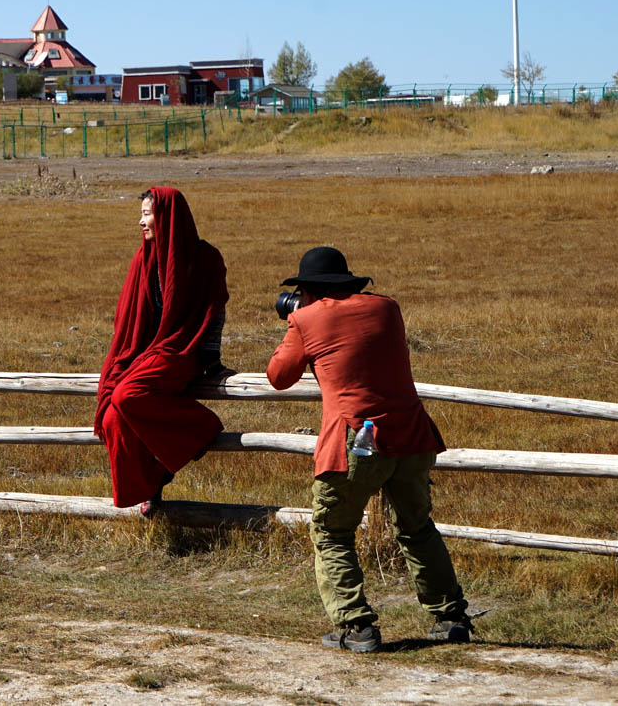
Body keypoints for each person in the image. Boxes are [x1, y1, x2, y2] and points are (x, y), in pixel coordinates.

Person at [266, 246, 472, 653]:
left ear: (307, 290)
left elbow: (278, 376)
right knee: (416, 526)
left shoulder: (305, 319)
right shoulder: (387, 308)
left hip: (356, 441)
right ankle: (449, 615)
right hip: (410, 435)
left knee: (332, 530)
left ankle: (355, 625)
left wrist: (296, 323)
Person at [95, 187, 228, 514]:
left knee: (127, 395)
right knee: (113, 417)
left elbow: (214, 309)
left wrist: (212, 357)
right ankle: (151, 483)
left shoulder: (203, 259)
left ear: (167, 216)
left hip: (184, 349)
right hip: (146, 352)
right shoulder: (143, 259)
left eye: (146, 214)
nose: (141, 222)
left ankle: (202, 427)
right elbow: (127, 320)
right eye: (141, 214)